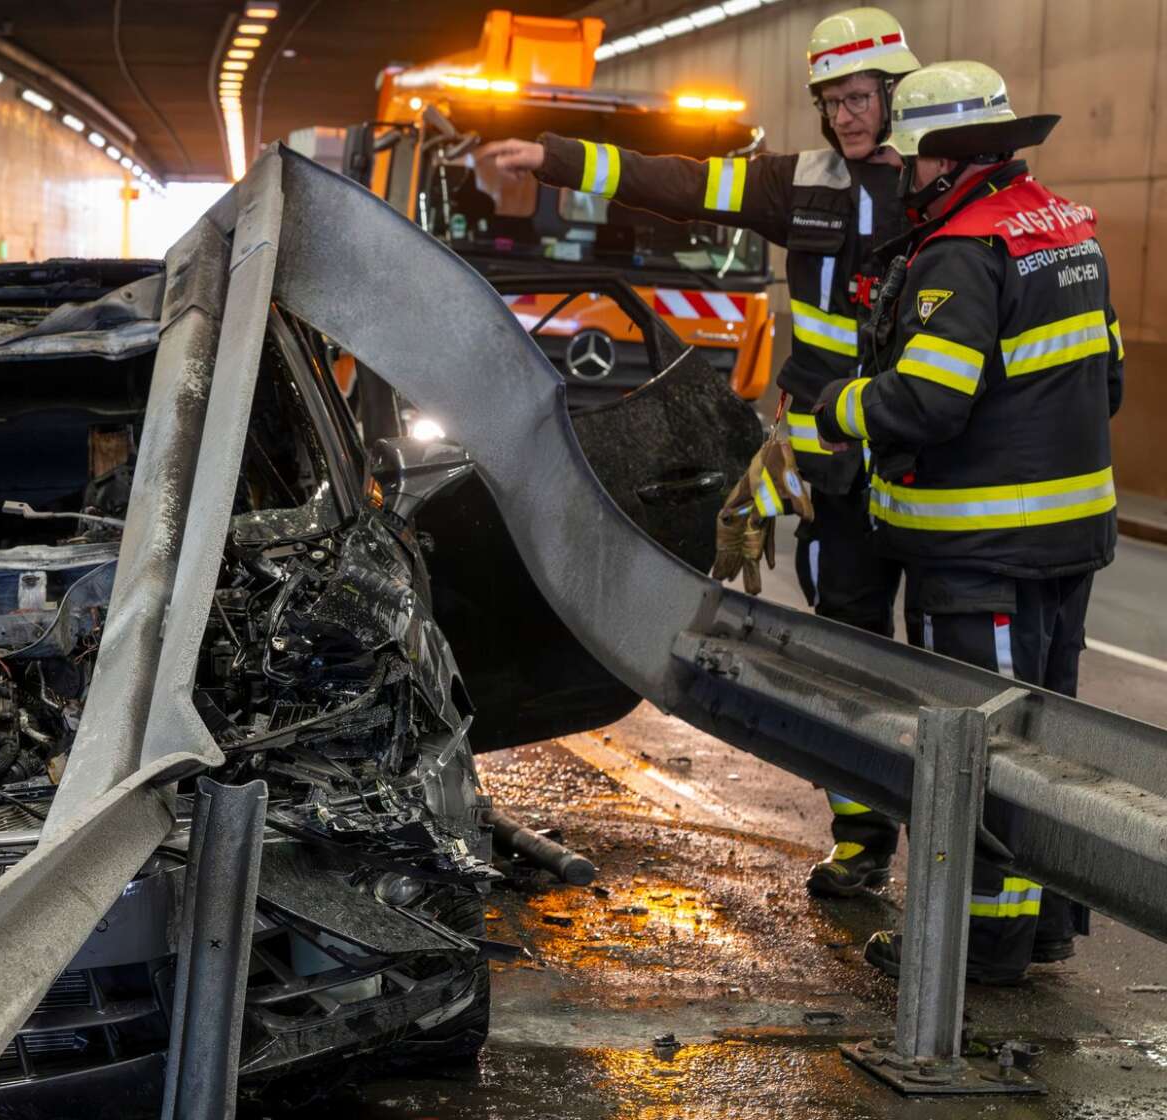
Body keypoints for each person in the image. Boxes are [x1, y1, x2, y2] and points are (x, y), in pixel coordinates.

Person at [475, 7, 919, 897]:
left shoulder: (938, 186)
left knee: (948, 664)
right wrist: (552, 156)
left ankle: (983, 864)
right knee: (846, 650)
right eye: (832, 101)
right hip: (835, 463)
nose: (846, 116)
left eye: (861, 97)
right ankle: (864, 840)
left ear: (897, 95)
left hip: (924, 457)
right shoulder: (801, 184)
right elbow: (673, 181)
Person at [813, 60, 1119, 983]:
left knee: (975, 754)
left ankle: (981, 946)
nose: (904, 176)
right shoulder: (1066, 229)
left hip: (980, 550)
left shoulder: (962, 252)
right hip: (1069, 542)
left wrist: (841, 406)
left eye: (911, 161)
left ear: (944, 161)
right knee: (1046, 750)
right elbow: (1109, 381)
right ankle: (1044, 925)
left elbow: (931, 400)